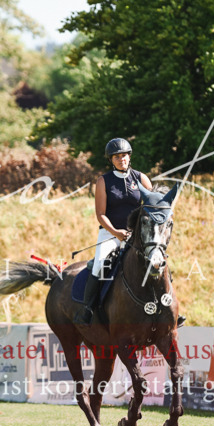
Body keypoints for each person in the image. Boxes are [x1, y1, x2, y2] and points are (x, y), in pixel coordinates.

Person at [74, 138, 153, 326]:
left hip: (137, 235)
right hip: (110, 234)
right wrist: (116, 232)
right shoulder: (104, 181)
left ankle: (166, 305)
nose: (121, 159)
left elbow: (152, 206)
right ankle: (87, 309)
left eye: (124, 155)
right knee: (99, 265)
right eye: (117, 157)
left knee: (156, 259)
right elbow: (100, 214)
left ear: (129, 156)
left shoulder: (141, 179)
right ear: (111, 160)